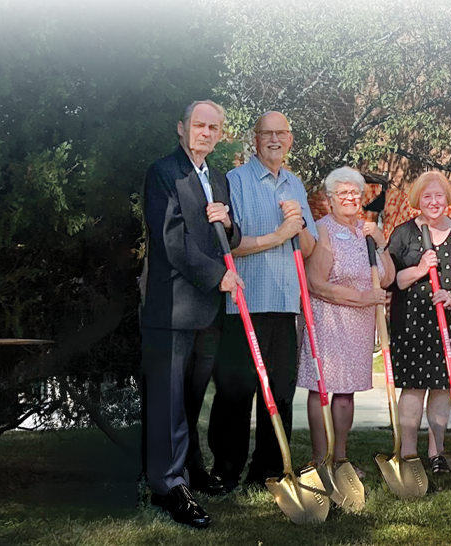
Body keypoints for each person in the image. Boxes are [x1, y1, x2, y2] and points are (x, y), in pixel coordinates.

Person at [139, 99, 241, 529]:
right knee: (167, 401)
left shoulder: (217, 178)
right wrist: (218, 276)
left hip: (208, 310)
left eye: (213, 127)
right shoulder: (164, 173)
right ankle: (167, 487)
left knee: (190, 399)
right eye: (199, 125)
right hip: (173, 307)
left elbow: (229, 238)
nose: (206, 133)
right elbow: (171, 240)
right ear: (182, 128)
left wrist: (229, 224)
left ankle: (186, 470)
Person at [208, 111, 317, 491]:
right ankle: (226, 471)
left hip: (285, 305)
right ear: (255, 139)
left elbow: (308, 248)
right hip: (244, 303)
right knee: (236, 391)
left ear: (290, 139)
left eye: (280, 133)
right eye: (266, 133)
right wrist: (280, 234)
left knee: (281, 393)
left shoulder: (295, 184)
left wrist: (299, 224)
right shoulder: (234, 181)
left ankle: (269, 469)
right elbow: (228, 245)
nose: (274, 139)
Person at [387, 171, 451, 474]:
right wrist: (420, 269)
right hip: (413, 323)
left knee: (442, 387)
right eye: (427, 196)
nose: (433, 201)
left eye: (439, 195)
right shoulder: (403, 234)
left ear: (447, 199)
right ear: (418, 199)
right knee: (414, 388)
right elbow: (391, 280)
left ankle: (437, 452)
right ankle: (408, 453)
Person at [299, 167, 391, 468]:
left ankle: (340, 458)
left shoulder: (366, 231)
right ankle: (319, 458)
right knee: (322, 389)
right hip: (330, 319)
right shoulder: (322, 230)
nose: (350, 198)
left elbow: (387, 277)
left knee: (346, 393)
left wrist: (380, 241)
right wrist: (363, 298)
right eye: (343, 193)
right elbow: (316, 284)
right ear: (330, 199)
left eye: (355, 193)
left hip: (359, 325)